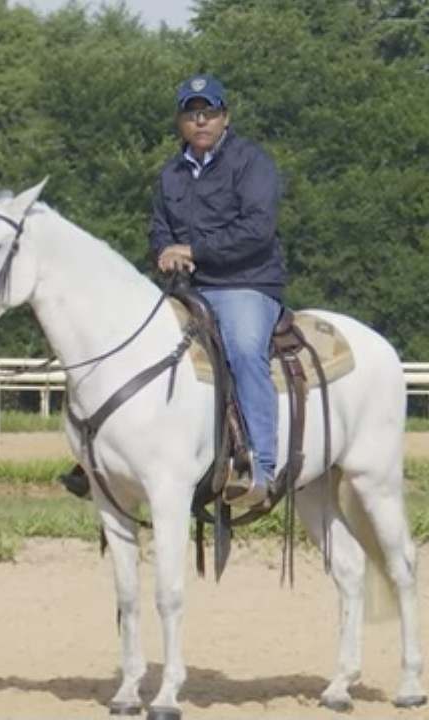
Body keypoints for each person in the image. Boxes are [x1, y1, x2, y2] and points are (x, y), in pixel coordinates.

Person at [149, 73, 286, 508]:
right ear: (181, 123)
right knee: (135, 344)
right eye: (192, 114)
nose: (201, 121)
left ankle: (262, 468)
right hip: (188, 289)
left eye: (209, 112)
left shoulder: (251, 162)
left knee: (245, 349)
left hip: (246, 283)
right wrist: (164, 253)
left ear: (225, 117)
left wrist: (194, 250)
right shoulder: (170, 174)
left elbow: (258, 230)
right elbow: (158, 229)